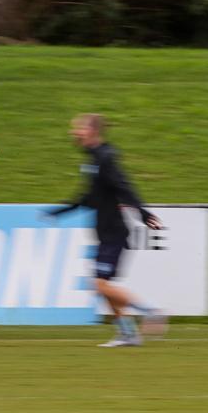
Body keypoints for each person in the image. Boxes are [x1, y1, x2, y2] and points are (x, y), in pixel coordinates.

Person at [44, 113, 166, 347]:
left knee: (100, 285)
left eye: (78, 128)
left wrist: (143, 213)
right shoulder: (93, 159)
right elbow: (88, 197)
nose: (74, 133)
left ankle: (151, 311)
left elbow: (124, 187)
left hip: (114, 233)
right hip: (105, 233)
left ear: (91, 131)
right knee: (103, 287)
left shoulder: (105, 158)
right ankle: (128, 334)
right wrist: (60, 211)